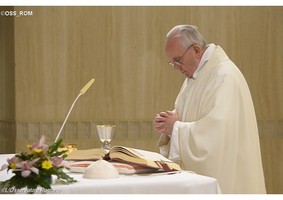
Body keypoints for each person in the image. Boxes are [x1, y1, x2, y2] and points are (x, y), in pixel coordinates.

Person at [153, 25, 266, 194]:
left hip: (230, 181)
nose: (176, 67)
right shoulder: (195, 76)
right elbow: (187, 116)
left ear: (196, 50)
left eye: (178, 60)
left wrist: (176, 128)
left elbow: (217, 135)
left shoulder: (224, 76)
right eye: (172, 63)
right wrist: (169, 122)